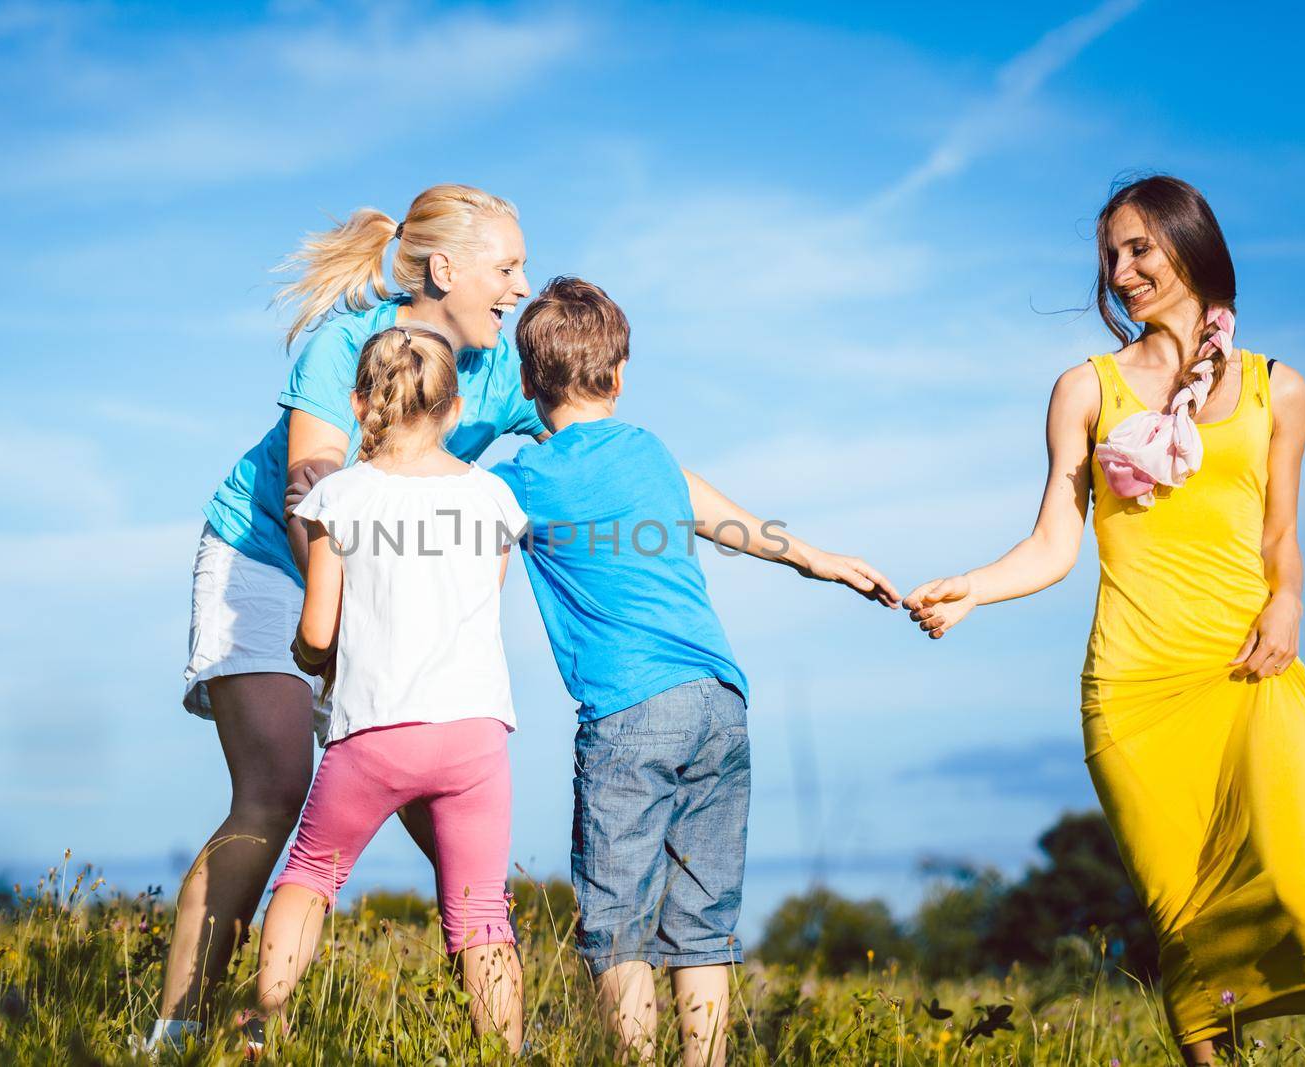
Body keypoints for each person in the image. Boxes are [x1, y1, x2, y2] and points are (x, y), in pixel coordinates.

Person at [904, 175, 1305, 1063]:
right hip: (1134, 691)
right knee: (1185, 916)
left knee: (1302, 887)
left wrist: (1290, 600)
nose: (1121, 270)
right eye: (1111, 255)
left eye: (1139, 247)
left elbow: (1281, 542)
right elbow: (1053, 542)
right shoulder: (1085, 389)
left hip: (1249, 675)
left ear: (1191, 242)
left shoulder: (1280, 388)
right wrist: (972, 588)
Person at [153, 183, 541, 1043]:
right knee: (277, 787)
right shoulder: (343, 344)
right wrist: (349, 639)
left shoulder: (497, 368)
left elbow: (594, 436)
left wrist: (793, 546)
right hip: (269, 561)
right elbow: (311, 496)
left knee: (451, 826)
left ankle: (495, 1028)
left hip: (368, 586)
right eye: (506, 267)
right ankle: (178, 1032)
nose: (520, 287)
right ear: (445, 268)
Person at [491, 277, 901, 1067]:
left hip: (630, 712)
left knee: (617, 923)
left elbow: (462, 536)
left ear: (528, 384)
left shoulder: (524, 481)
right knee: (702, 922)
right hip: (721, 700)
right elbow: (729, 520)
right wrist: (819, 560)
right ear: (618, 376)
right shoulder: (649, 449)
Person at [255, 324, 526, 1052]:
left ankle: (260, 1035)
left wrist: (313, 659)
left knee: (310, 875)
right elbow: (483, 602)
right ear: (456, 407)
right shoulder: (493, 497)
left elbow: (318, 632)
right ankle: (504, 1053)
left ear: (358, 402)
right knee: (481, 915)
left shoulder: (339, 497)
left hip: (375, 727)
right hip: (474, 731)